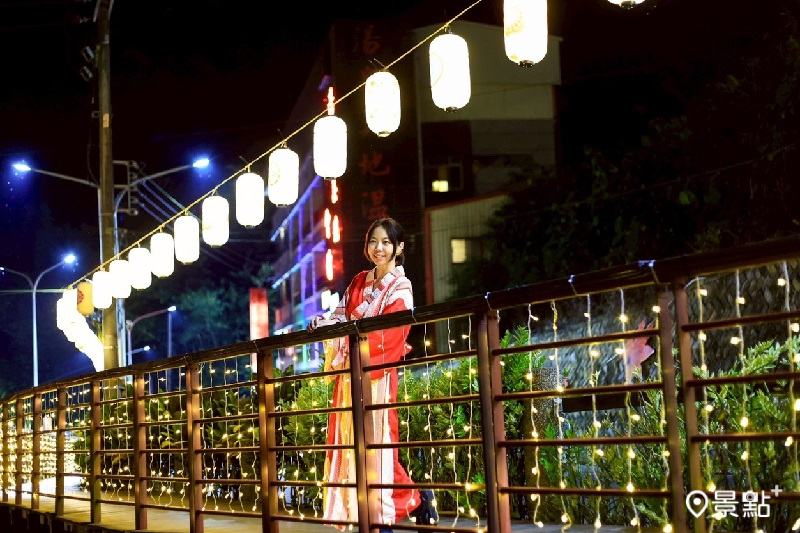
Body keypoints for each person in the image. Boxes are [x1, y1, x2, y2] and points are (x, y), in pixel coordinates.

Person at [308, 217, 437, 533]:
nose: (379, 248)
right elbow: (340, 316)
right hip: (351, 375)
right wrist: (322, 324)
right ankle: (410, 501)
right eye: (373, 241)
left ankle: (387, 519)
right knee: (353, 445)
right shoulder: (358, 282)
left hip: (378, 376)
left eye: (386, 242)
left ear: (399, 247)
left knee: (377, 447)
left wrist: (353, 342)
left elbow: (392, 335)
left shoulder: (401, 288)